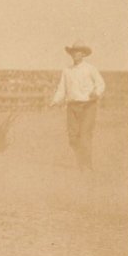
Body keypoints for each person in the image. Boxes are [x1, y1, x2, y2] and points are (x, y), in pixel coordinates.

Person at [50, 40, 105, 171]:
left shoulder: (90, 69)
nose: (76, 54)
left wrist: (96, 92)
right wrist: (54, 101)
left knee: (85, 135)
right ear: (71, 54)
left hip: (88, 106)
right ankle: (81, 160)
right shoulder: (67, 71)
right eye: (74, 52)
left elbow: (101, 83)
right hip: (72, 106)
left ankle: (87, 165)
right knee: (73, 137)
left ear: (83, 54)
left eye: (79, 52)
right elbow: (61, 88)